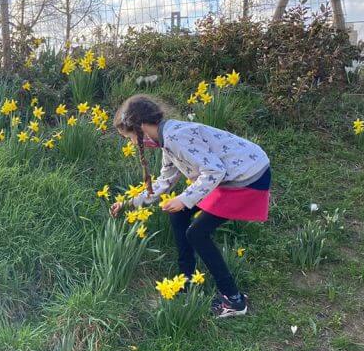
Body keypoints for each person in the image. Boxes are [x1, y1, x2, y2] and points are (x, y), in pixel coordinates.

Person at [110, 94, 271, 318]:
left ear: (142, 127)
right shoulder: (166, 140)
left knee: (197, 233)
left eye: (129, 138)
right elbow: (164, 183)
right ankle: (185, 279)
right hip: (229, 175)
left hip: (247, 177)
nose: (132, 144)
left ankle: (234, 300)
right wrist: (129, 203)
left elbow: (214, 171)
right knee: (178, 215)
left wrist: (184, 199)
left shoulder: (176, 137)